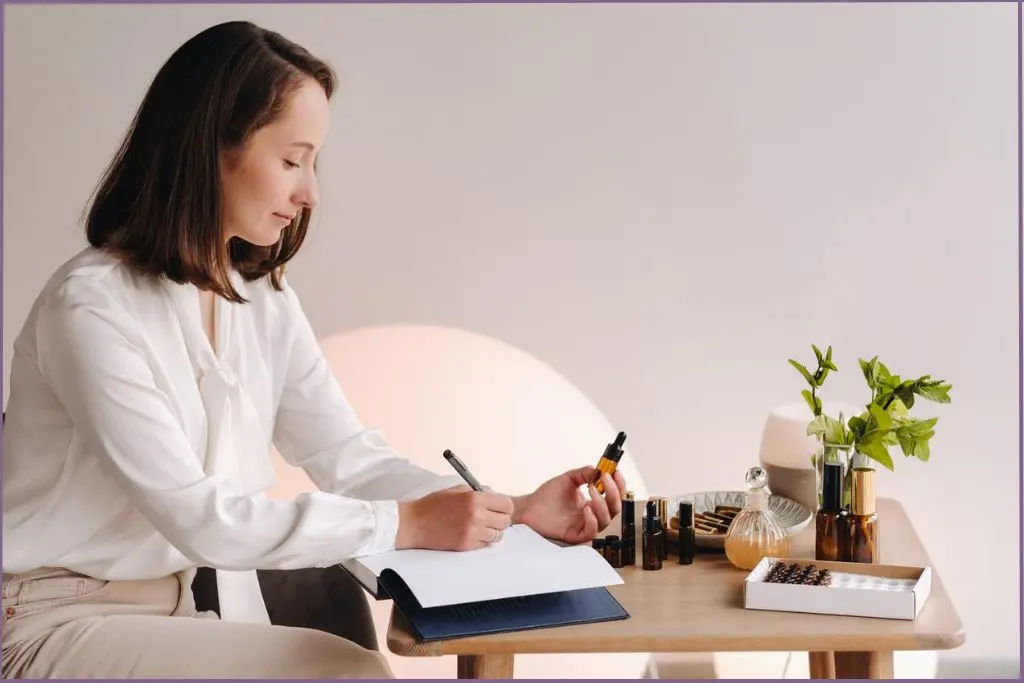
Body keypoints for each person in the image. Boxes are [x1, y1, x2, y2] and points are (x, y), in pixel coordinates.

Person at [1, 20, 627, 679]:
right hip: (52, 622)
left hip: (175, 612)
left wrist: (513, 510)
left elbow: (346, 457)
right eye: (292, 159)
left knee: (353, 668)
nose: (311, 193)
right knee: (349, 673)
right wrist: (404, 523)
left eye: (313, 162)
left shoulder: (260, 299)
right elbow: (201, 518)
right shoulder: (91, 307)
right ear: (211, 147)